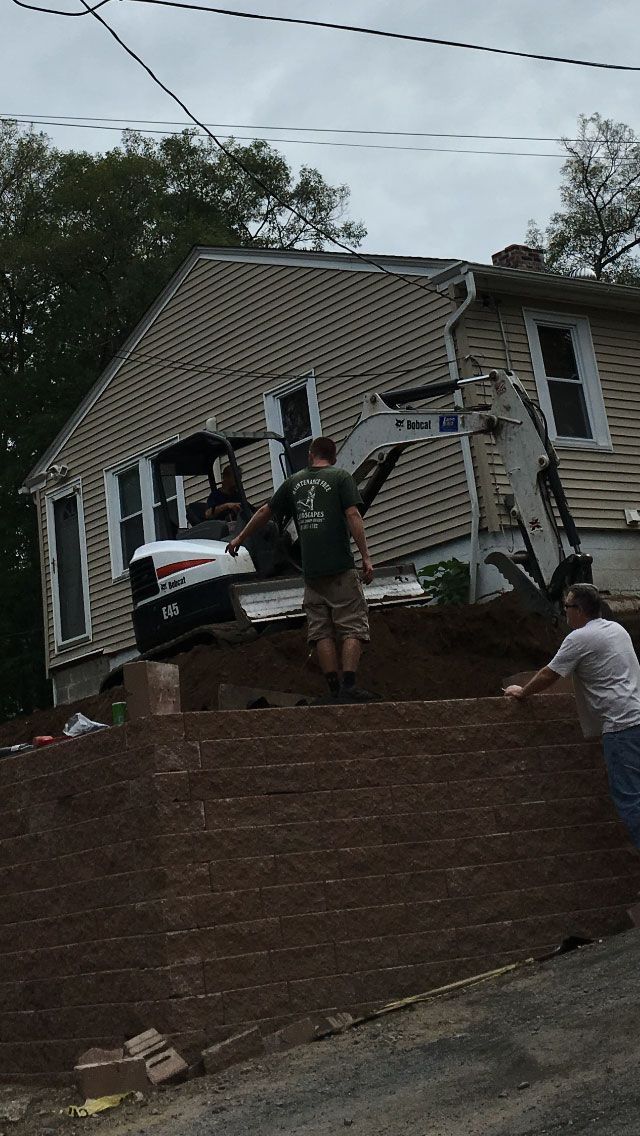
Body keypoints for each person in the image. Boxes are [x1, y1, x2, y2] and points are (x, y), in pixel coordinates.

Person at [226, 436, 375, 701]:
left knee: (320, 631)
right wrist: (365, 556)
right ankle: (349, 686)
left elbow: (264, 511)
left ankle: (333, 690)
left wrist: (239, 538)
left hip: (312, 573)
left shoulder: (293, 482)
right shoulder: (341, 477)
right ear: (334, 457)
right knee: (352, 626)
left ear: (310, 455)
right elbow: (353, 515)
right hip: (340, 568)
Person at [504, 583, 640, 850]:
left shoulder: (579, 638)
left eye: (566, 606)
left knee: (632, 799)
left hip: (621, 727)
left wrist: (522, 692)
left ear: (578, 610)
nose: (564, 611)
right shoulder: (617, 629)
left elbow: (549, 674)